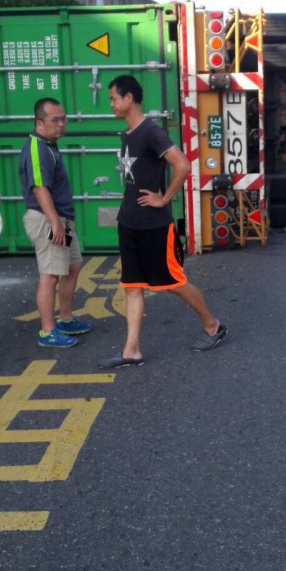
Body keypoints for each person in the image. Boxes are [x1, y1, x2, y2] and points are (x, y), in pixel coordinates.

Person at [98, 75, 227, 369]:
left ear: (129, 98)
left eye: (114, 99)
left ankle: (213, 325)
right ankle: (131, 351)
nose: (111, 105)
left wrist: (164, 198)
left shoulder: (150, 132)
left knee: (173, 282)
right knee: (132, 286)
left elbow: (182, 163)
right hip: (128, 221)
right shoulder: (128, 134)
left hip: (153, 225)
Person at [19, 97, 91, 347]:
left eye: (63, 119)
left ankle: (66, 319)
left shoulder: (49, 145)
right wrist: (55, 223)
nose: (61, 124)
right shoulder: (37, 148)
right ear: (39, 123)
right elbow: (39, 188)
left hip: (60, 219)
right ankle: (48, 331)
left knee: (73, 265)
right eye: (55, 120)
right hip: (48, 220)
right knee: (49, 276)